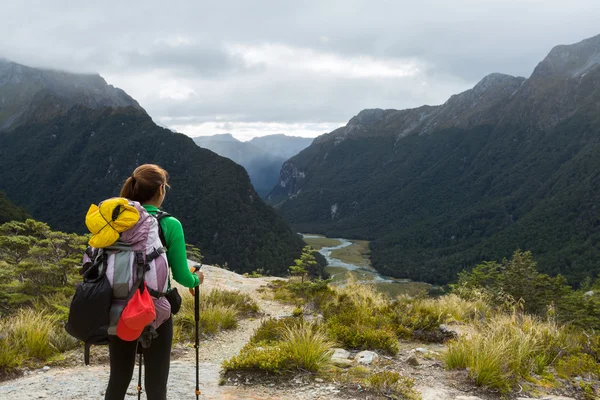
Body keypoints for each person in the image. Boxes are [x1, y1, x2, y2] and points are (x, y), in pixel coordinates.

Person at [105, 164, 203, 400]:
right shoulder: (169, 224)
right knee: (156, 384)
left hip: (117, 306)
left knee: (118, 379)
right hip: (154, 311)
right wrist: (195, 279)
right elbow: (181, 275)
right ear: (161, 189)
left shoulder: (115, 219)